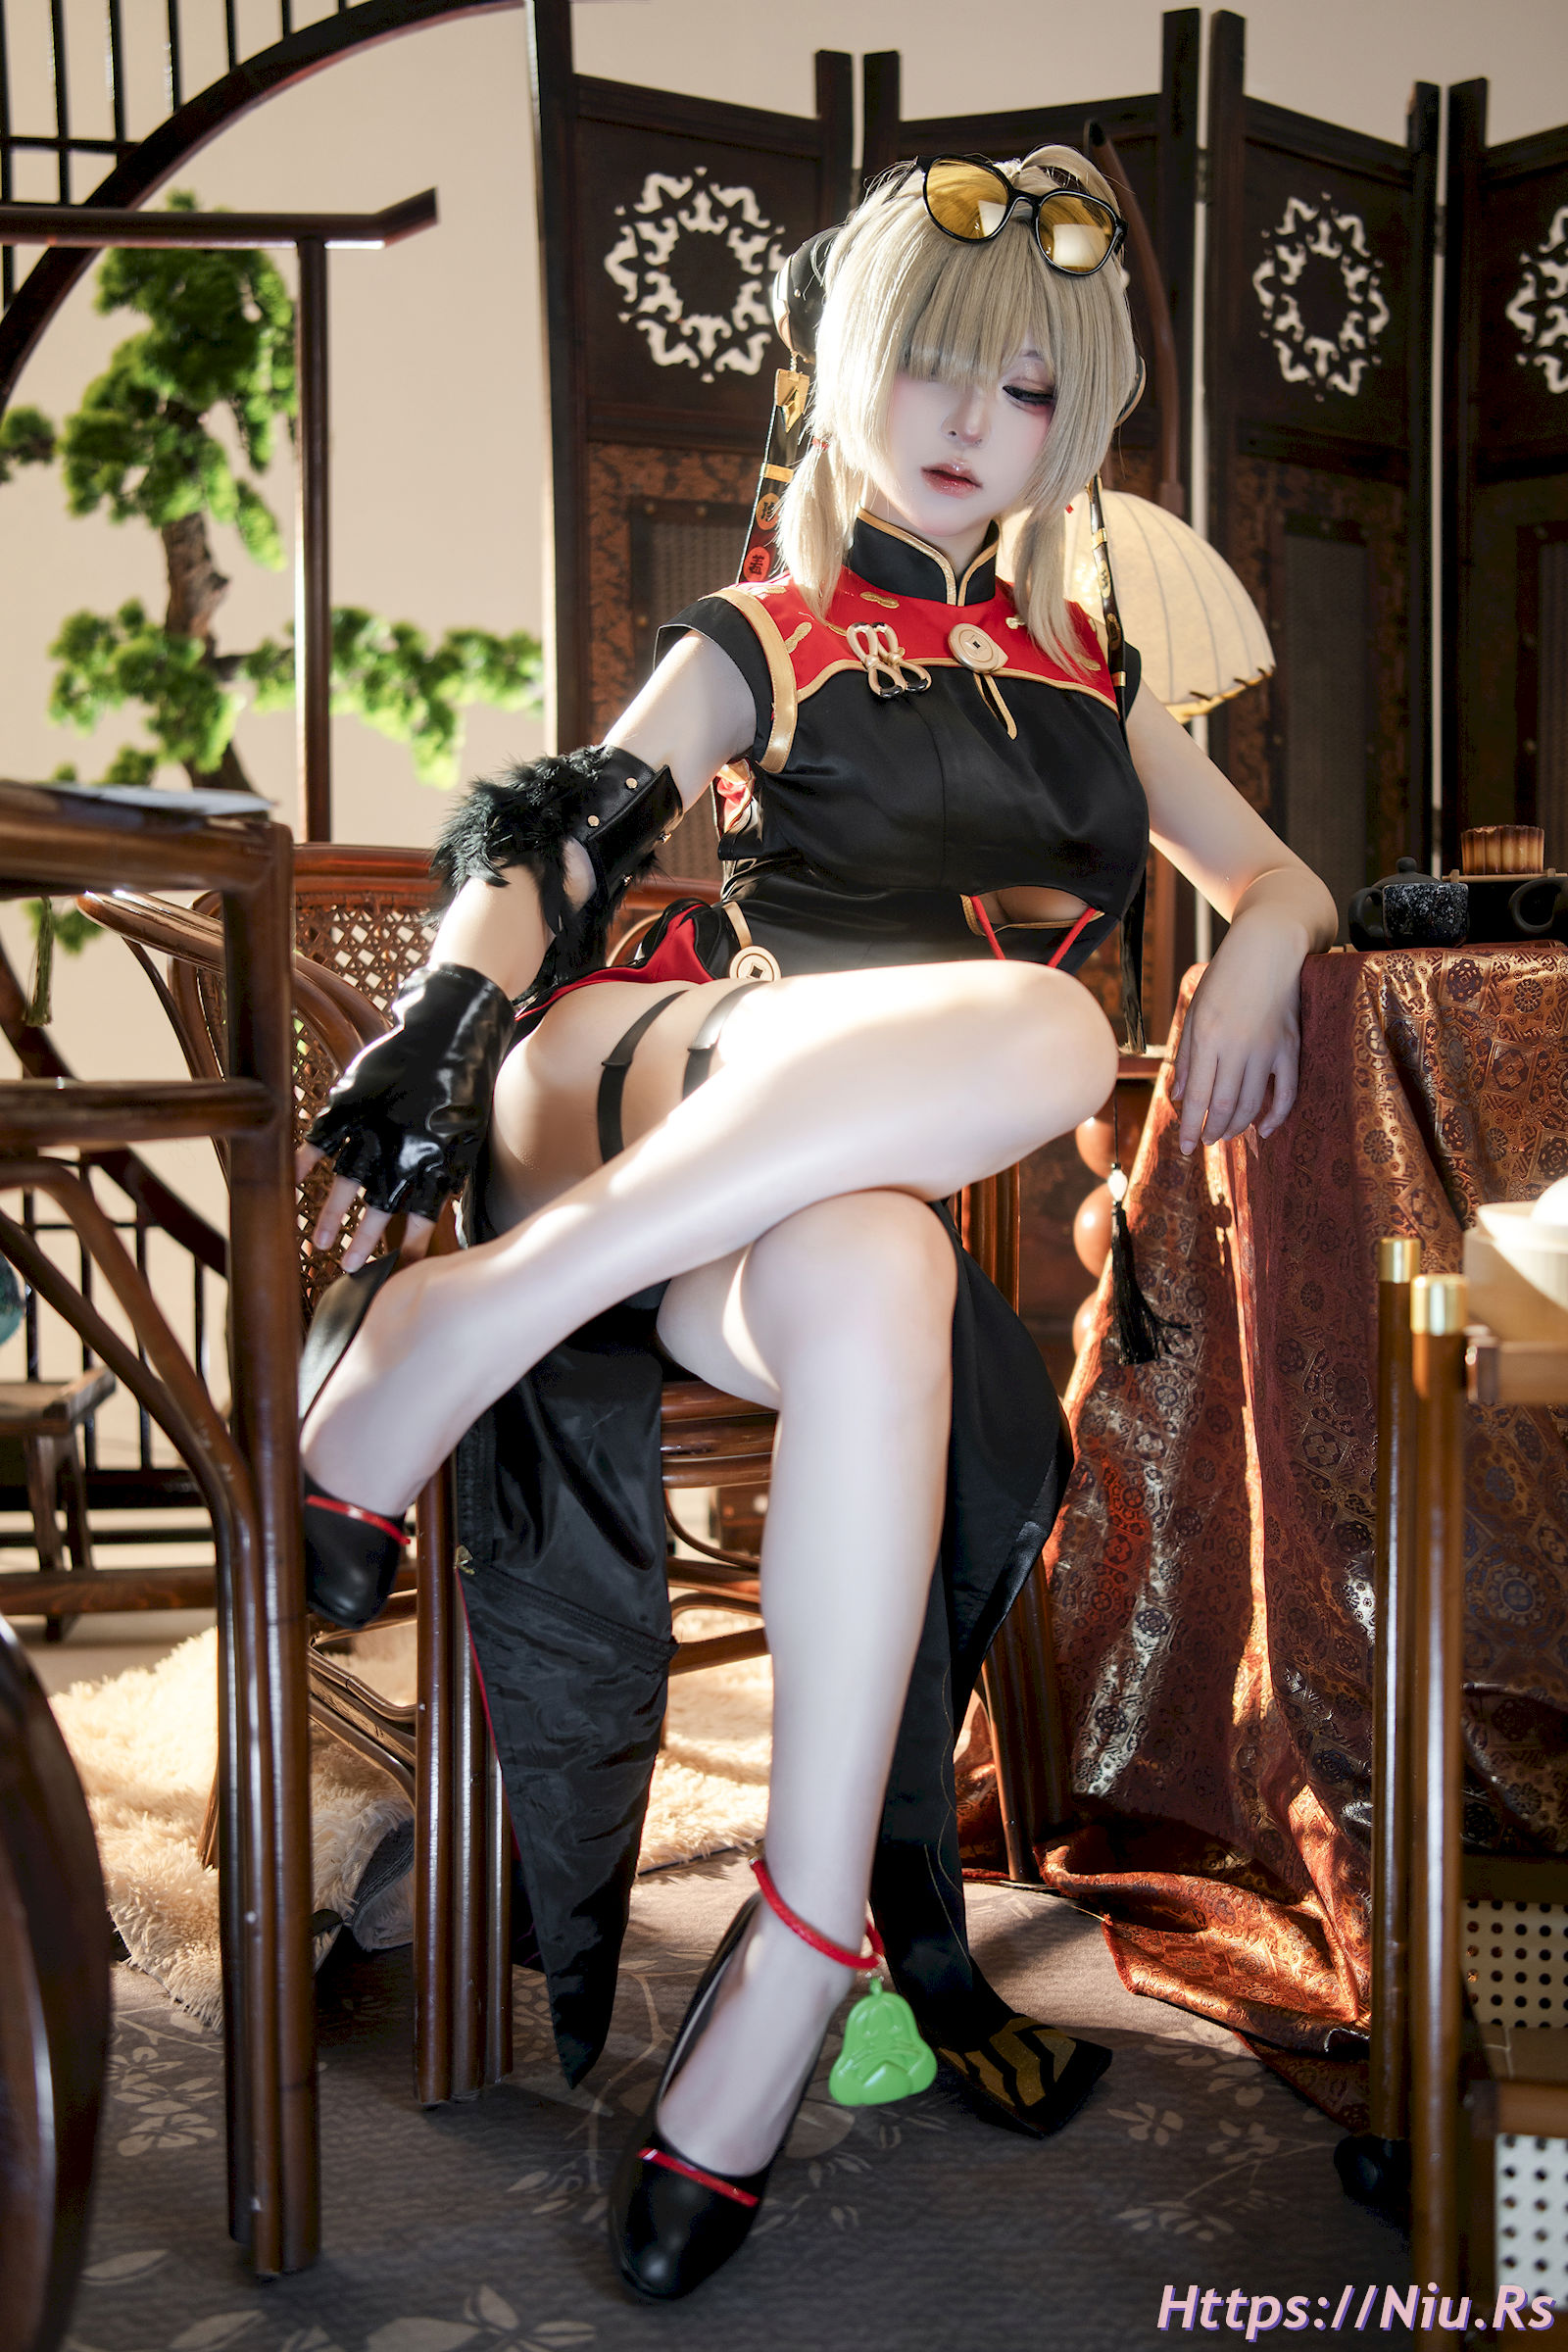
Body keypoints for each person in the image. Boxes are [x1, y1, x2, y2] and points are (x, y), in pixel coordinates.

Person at [296, 147, 1339, 2301]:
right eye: (935, 365)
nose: (972, 421)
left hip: (792, 1212)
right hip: (660, 1075)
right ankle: (475, 1302)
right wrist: (434, 1027)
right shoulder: (765, 630)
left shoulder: (1088, 672)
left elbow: (1279, 875)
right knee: (1048, 1029)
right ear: (848, 366)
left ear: (1075, 425)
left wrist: (1262, 943)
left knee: (887, 1268)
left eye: (1027, 390)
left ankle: (791, 1960)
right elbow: (553, 840)